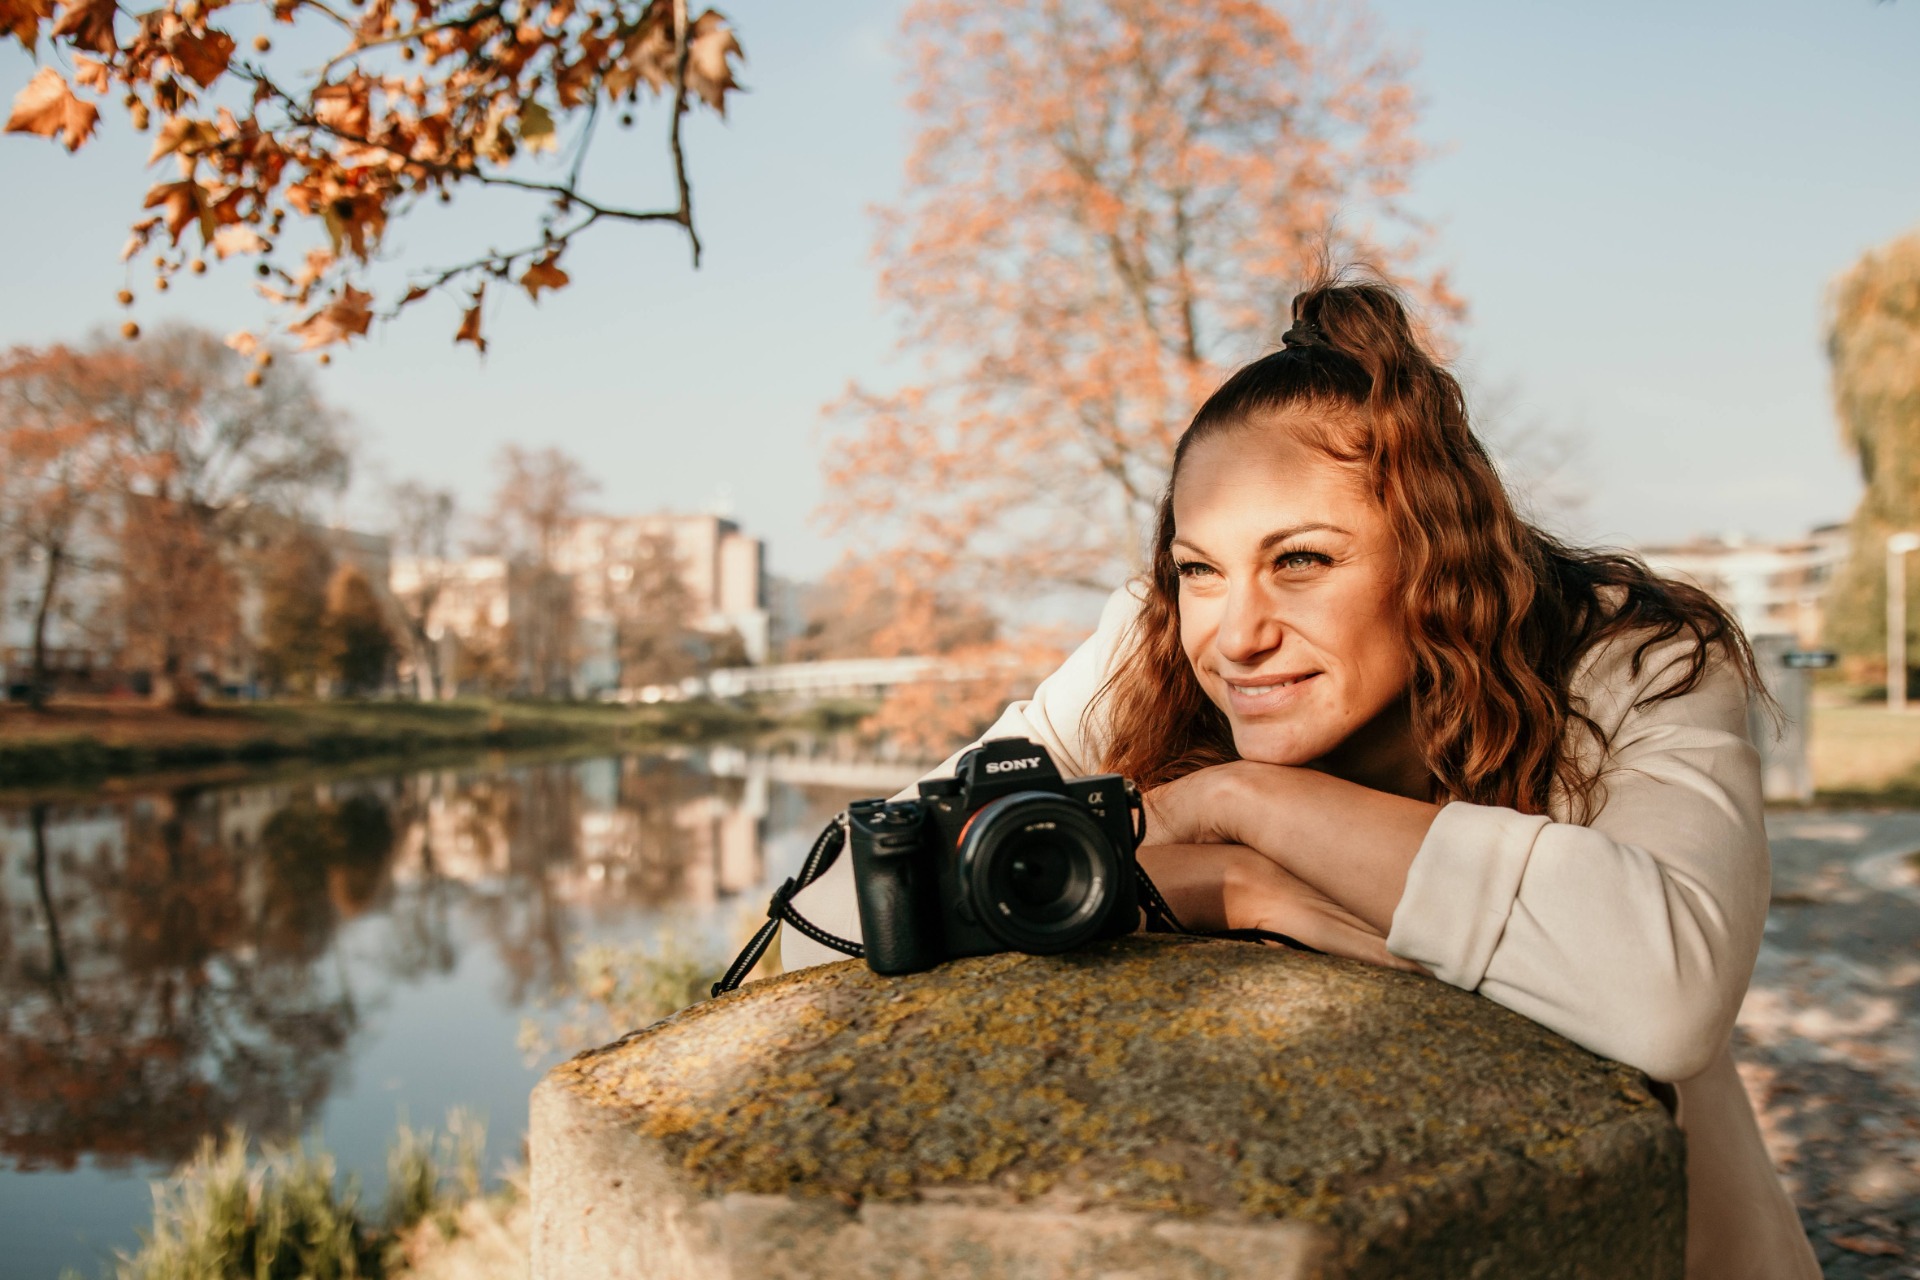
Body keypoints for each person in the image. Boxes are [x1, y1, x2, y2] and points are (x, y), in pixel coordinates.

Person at [785, 276, 1820, 1280]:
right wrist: (1208, 883)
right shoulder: (1145, 651)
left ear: (1434, 556)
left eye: (1303, 560)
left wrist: (1248, 801)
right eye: (1199, 568)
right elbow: (817, 915)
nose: (1236, 634)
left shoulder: (1635, 657)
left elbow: (1668, 987)